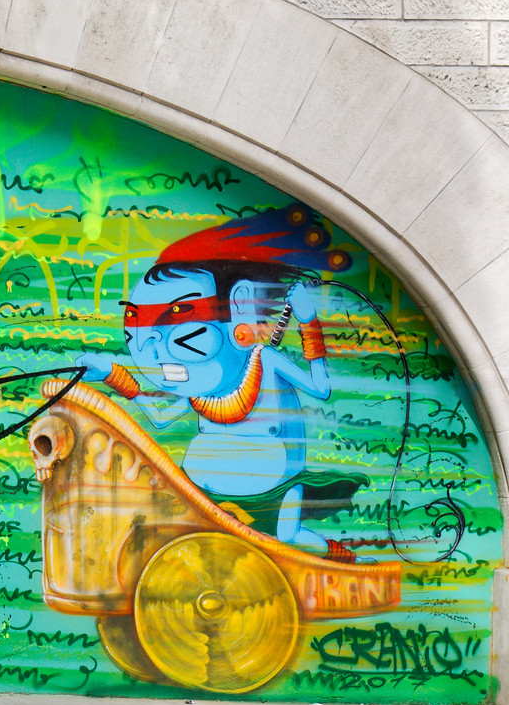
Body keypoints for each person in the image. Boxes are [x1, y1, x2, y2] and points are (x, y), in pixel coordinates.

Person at [77, 205, 362, 558]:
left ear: (239, 305)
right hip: (204, 497)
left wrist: (308, 322)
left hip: (275, 491)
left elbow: (321, 389)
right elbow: (160, 418)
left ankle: (346, 560)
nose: (152, 348)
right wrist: (113, 376)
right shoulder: (197, 389)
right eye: (136, 326)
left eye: (179, 315)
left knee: (289, 538)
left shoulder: (264, 361)